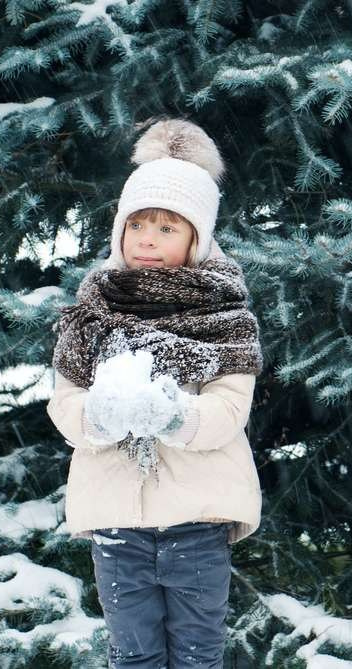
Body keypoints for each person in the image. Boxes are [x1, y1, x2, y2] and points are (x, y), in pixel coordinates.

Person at [46, 119, 263, 668]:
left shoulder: (226, 317)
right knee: (133, 653)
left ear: (197, 238)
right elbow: (65, 404)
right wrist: (101, 415)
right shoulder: (90, 316)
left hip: (198, 522)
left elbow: (228, 409)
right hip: (117, 522)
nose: (147, 238)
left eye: (168, 228)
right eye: (137, 224)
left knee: (197, 653)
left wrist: (171, 415)